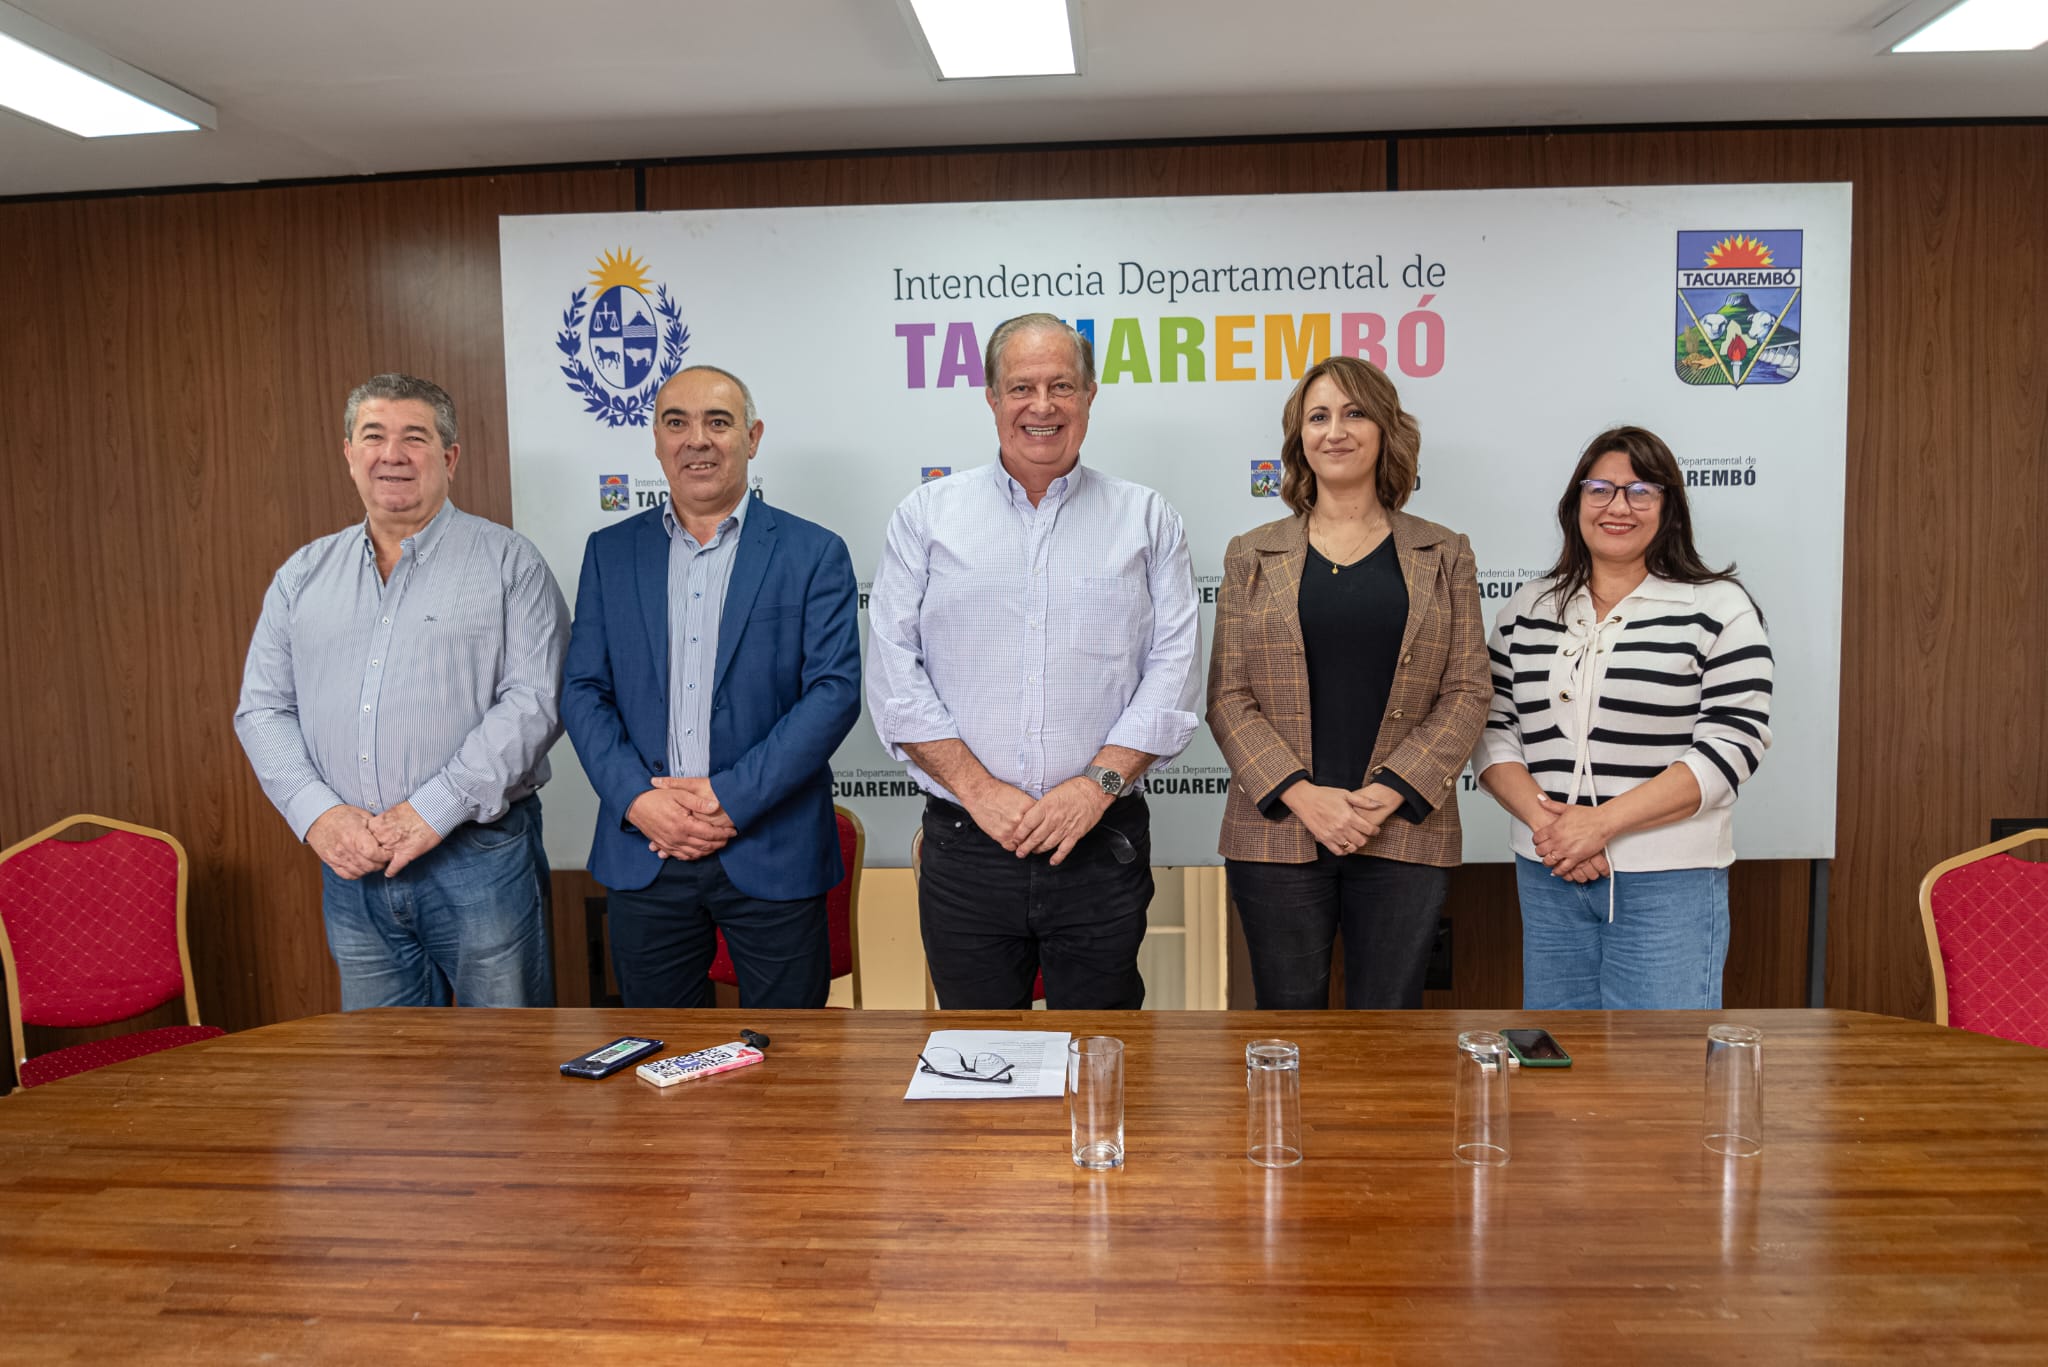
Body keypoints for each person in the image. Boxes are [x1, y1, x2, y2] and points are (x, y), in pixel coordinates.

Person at [867, 312, 1202, 1010]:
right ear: (991, 396)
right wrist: (983, 793)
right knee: (977, 1068)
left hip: (1100, 842)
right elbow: (895, 674)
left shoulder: (1148, 519)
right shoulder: (925, 516)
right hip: (966, 846)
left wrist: (1093, 787)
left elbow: (1172, 671)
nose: (1042, 406)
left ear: (1090, 395)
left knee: (1105, 1058)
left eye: (1062, 386)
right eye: (1021, 387)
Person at [236, 373, 568, 1008]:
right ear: (349, 453)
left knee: (504, 1069)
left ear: (449, 458)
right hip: (350, 863)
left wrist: (433, 810)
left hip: (481, 857)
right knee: (383, 1081)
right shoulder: (302, 576)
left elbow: (535, 700)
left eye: (414, 437)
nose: (392, 454)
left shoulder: (509, 563)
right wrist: (319, 815)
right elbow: (263, 709)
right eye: (374, 436)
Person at [561, 365, 860, 1009]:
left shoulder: (814, 553)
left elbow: (834, 692)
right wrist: (639, 800)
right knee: (660, 1064)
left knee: (790, 1066)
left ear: (751, 438)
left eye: (717, 422)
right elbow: (583, 690)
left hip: (772, 849)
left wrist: (729, 798)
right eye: (677, 422)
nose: (696, 439)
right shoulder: (609, 553)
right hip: (645, 847)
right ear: (657, 441)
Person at [1207, 356, 1488, 1010]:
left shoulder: (1445, 552)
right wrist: (1305, 796)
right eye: (1319, 416)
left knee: (1389, 1034)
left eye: (1355, 412)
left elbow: (1468, 690)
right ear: (1299, 438)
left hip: (1404, 829)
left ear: (1386, 429)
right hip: (1277, 829)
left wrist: (1388, 794)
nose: (1337, 430)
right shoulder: (1251, 552)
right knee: (1288, 1025)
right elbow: (1227, 694)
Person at [1475, 425, 1773, 1009]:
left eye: (1641, 491)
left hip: (1670, 881)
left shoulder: (1717, 606)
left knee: (1659, 1073)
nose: (1618, 506)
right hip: (1550, 872)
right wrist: (1557, 830)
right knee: (1559, 1069)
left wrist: (1601, 825)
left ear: (1669, 509)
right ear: (1575, 504)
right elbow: (1491, 729)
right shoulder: (1525, 610)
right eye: (1600, 489)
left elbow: (1734, 743)